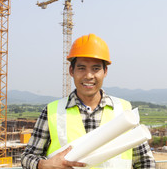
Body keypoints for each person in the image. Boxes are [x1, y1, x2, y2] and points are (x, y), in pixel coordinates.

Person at [21, 33, 155, 169]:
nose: (89, 76)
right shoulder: (52, 111)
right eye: (81, 68)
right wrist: (43, 164)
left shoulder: (124, 111)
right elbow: (27, 157)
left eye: (96, 69)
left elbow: (145, 162)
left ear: (105, 71)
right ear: (71, 71)